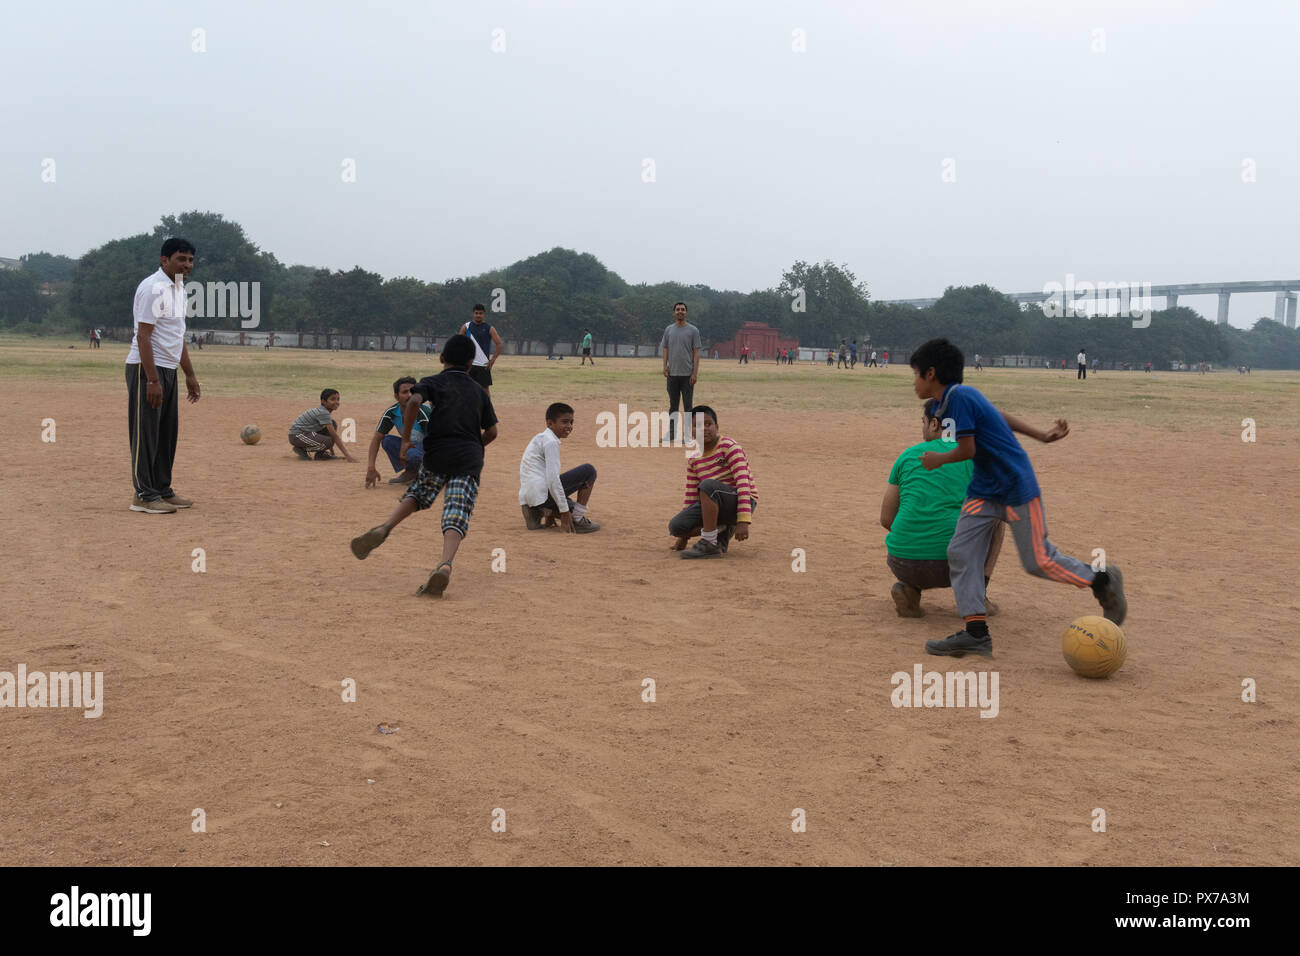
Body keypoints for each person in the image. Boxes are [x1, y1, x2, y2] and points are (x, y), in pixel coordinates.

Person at [907, 338, 1127, 657]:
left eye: (915, 374)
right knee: (959, 552)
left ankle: (1101, 580)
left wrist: (937, 459)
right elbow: (997, 416)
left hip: (1014, 486)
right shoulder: (953, 400)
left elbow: (968, 448)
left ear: (930, 373)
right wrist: (1040, 434)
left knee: (1037, 561)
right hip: (983, 489)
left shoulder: (960, 396)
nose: (913, 382)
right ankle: (976, 633)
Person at [349, 334, 499, 597]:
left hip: (438, 453)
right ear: (469, 364)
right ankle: (444, 565)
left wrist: (405, 439)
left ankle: (385, 527)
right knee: (456, 511)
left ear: (442, 359)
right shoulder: (478, 390)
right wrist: (476, 446)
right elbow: (493, 432)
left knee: (418, 494)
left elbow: (415, 401)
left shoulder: (432, 382)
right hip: (468, 459)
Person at [881, 407, 1004, 617]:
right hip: (956, 566)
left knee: (916, 522)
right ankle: (977, 595)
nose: (922, 428)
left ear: (935, 424)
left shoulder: (908, 455)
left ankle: (910, 588)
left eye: (923, 422)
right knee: (996, 522)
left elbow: (886, 519)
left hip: (901, 561)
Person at [125, 238, 202, 513]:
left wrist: (189, 375)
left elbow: (176, 336)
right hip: (147, 369)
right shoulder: (153, 288)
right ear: (164, 260)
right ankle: (144, 495)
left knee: (166, 434)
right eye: (181, 259)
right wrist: (152, 379)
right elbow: (143, 335)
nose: (187, 265)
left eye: (191, 260)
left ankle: (162, 489)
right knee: (146, 433)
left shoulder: (178, 289)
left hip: (168, 369)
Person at [668, 405, 757, 559]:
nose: (705, 429)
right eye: (698, 426)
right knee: (676, 526)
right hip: (713, 502)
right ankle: (721, 529)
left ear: (717, 426)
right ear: (691, 432)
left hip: (740, 500)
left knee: (708, 486)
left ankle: (709, 543)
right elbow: (691, 496)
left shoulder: (729, 447)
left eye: (708, 424)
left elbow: (743, 484)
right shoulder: (693, 458)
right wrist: (683, 536)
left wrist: (743, 520)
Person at [518, 402, 600, 533]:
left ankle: (538, 511)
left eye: (571, 422)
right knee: (588, 470)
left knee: (567, 501)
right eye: (565, 422)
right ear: (550, 423)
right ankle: (577, 520)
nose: (569, 426)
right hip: (542, 494)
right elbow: (553, 480)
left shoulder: (540, 438)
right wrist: (564, 511)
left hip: (529, 496)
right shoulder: (550, 442)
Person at [366, 376, 430, 486]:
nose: (409, 395)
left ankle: (426, 474)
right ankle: (410, 473)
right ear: (396, 396)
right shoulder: (391, 412)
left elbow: (436, 441)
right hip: (412, 447)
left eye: (412, 392)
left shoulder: (423, 412)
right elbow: (376, 439)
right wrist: (371, 468)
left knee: (412, 453)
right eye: (405, 392)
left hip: (430, 447)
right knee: (387, 441)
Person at [660, 302, 701, 442]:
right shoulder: (668, 330)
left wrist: (694, 373)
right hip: (672, 374)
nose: (680, 312)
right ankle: (671, 434)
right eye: (678, 309)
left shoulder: (693, 330)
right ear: (674, 312)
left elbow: (696, 353)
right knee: (673, 406)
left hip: (687, 375)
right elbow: (665, 348)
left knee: (688, 407)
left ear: (686, 312)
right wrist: (664, 366)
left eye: (683, 310)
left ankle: (688, 435)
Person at [289, 389, 357, 462]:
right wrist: (348, 456)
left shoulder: (324, 412)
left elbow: (330, 434)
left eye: (338, 399)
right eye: (333, 399)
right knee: (328, 441)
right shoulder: (323, 413)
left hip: (306, 434)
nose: (336, 402)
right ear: (323, 402)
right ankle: (301, 449)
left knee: (333, 424)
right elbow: (334, 436)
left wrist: (332, 454)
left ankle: (320, 455)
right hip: (297, 436)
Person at [460, 304, 504, 398]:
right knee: (466, 388)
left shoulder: (489, 328)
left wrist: (493, 360)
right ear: (473, 314)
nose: (478, 315)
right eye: (476, 313)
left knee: (484, 390)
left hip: (483, 365)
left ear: (484, 314)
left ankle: (487, 411)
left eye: (480, 313)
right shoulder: (466, 327)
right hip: (469, 365)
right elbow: (458, 342)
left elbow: (499, 344)